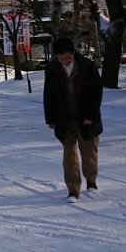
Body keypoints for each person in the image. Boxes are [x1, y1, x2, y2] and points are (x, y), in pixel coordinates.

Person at [43, 36, 103, 202]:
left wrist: (91, 116)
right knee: (69, 155)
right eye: (61, 59)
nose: (65, 61)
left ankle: (91, 181)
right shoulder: (52, 68)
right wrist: (50, 117)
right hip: (64, 118)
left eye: (67, 58)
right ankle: (73, 190)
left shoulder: (87, 66)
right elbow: (48, 94)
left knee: (89, 152)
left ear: (73, 53)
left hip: (86, 117)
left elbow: (96, 92)